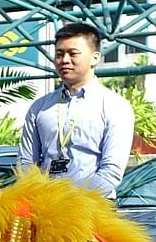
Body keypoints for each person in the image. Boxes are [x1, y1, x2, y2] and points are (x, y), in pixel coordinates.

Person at [19, 22, 134, 198]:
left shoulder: (115, 106)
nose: (64, 60)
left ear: (95, 58)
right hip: (45, 208)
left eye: (73, 54)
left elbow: (111, 171)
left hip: (94, 210)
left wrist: (71, 203)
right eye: (59, 54)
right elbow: (26, 163)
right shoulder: (39, 108)